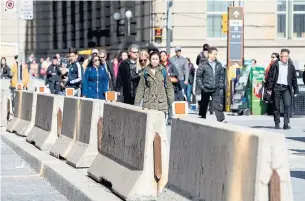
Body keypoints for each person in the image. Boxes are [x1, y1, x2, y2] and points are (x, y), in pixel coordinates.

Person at [266, 49, 299, 130]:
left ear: (288, 57)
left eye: (286, 56)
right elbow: (270, 77)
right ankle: (277, 123)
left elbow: (294, 78)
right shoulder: (275, 65)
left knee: (287, 105)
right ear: (280, 57)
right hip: (276, 87)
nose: (284, 58)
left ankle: (286, 124)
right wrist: (269, 88)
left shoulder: (291, 66)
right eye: (283, 56)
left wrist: (296, 90)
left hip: (286, 88)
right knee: (276, 106)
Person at [134, 51, 175, 115]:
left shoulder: (163, 71)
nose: (155, 61)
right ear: (150, 60)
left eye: (156, 59)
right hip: (148, 105)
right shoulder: (145, 72)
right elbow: (140, 88)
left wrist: (171, 102)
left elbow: (169, 87)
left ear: (159, 60)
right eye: (153, 59)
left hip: (161, 105)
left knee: (160, 124)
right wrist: (136, 104)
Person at [196, 47, 226, 122]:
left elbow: (221, 75)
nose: (215, 56)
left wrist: (221, 84)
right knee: (204, 104)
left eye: (216, 54)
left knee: (217, 104)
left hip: (216, 88)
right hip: (206, 88)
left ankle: (221, 119)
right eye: (213, 54)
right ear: (209, 54)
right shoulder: (203, 64)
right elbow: (198, 77)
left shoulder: (219, 65)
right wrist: (202, 87)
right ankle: (201, 119)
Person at [160, 51, 181, 125]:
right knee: (162, 105)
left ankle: (169, 120)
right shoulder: (159, 66)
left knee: (170, 104)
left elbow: (177, 74)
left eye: (164, 55)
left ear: (166, 56)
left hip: (170, 87)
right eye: (161, 56)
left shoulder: (171, 65)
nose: (163, 57)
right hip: (161, 87)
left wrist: (169, 74)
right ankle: (162, 120)